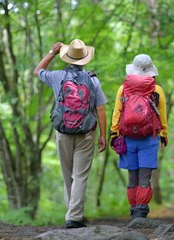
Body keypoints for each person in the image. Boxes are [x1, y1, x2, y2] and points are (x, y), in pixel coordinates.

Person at [33, 39, 107, 228]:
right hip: (86, 133)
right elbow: (101, 110)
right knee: (80, 176)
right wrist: (102, 135)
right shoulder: (93, 80)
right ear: (85, 59)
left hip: (63, 132)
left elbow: (37, 71)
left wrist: (52, 52)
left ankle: (72, 215)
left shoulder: (58, 76)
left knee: (68, 175)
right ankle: (74, 217)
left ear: (68, 58)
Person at [110, 54, 168, 219]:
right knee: (145, 177)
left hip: (128, 138)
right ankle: (141, 212)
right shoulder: (157, 90)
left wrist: (114, 134)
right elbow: (162, 115)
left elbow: (117, 113)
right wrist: (164, 134)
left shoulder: (123, 89)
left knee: (132, 177)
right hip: (149, 138)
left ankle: (133, 209)